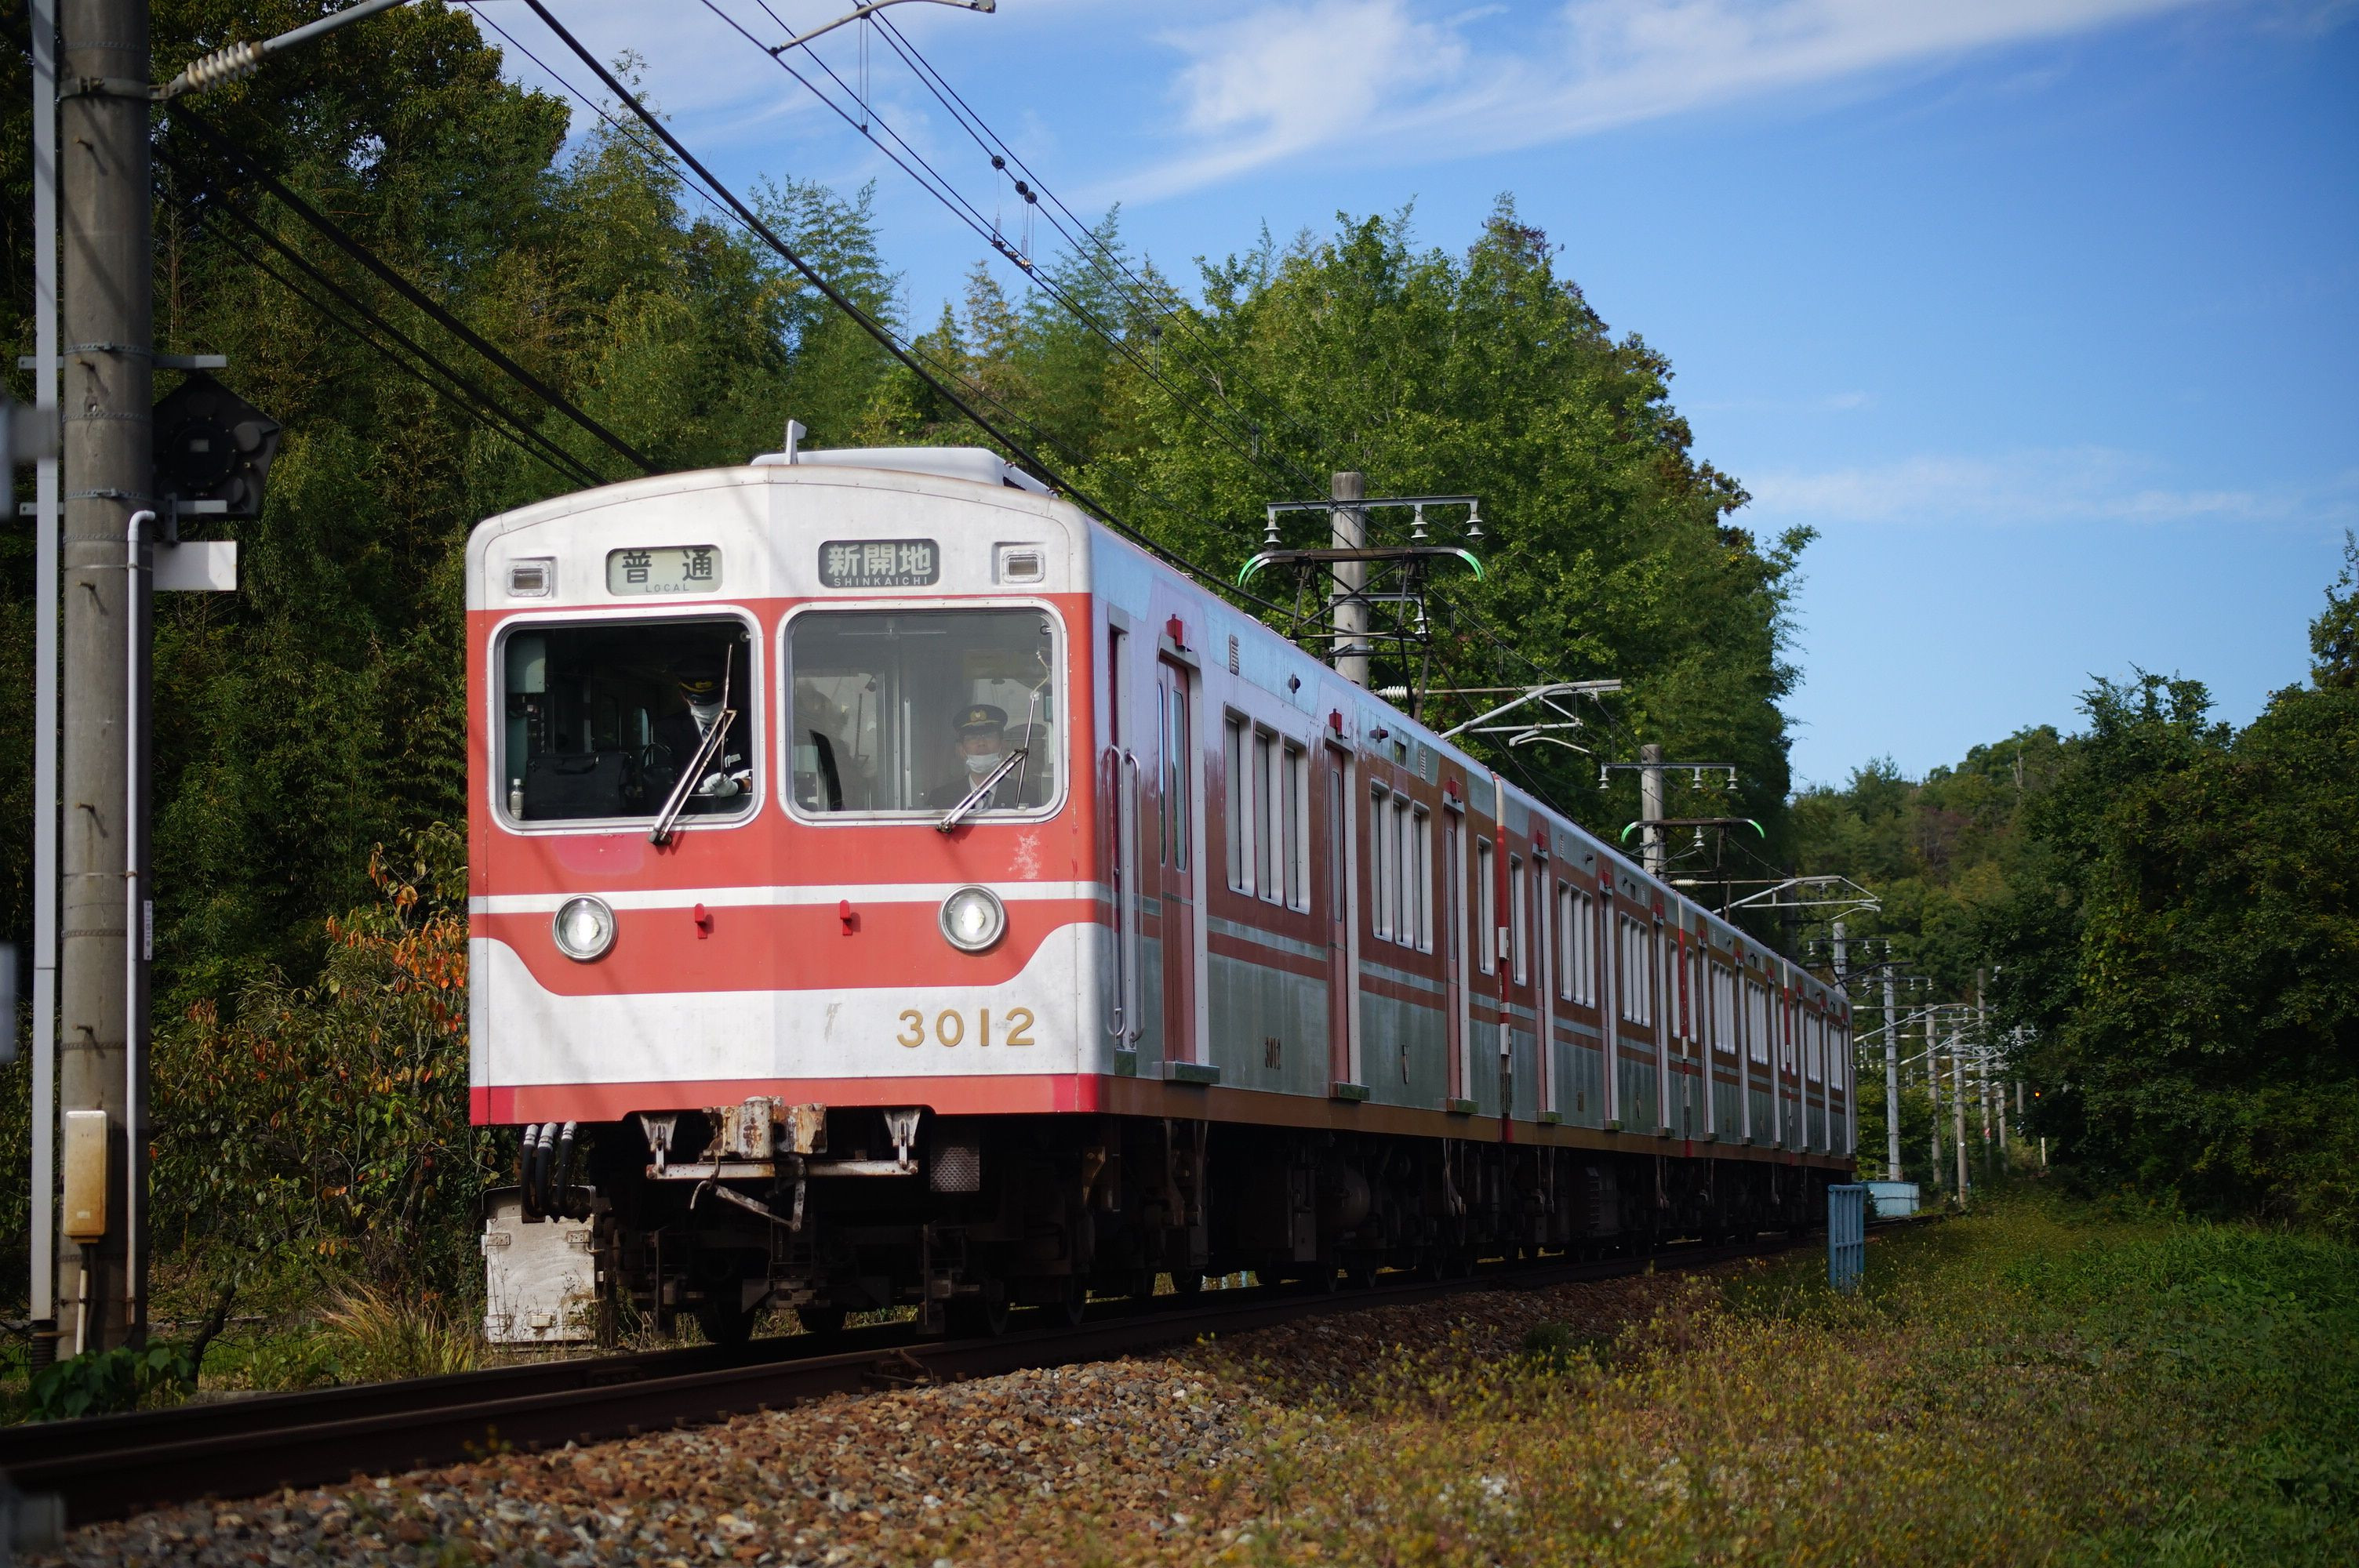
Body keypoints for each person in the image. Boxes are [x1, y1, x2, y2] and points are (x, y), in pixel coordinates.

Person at [651, 650, 752, 810]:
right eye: (698, 702)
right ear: (683, 695)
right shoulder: (668, 730)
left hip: (741, 812)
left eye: (713, 700)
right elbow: (662, 785)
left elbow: (768, 776)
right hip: (686, 817)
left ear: (726, 694)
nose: (707, 708)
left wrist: (739, 785)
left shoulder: (749, 724)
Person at [925, 702, 1027, 810]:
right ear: (961, 750)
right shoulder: (941, 798)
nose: (981, 743)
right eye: (972, 738)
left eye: (989, 736)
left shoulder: (1024, 794)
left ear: (1002, 745)